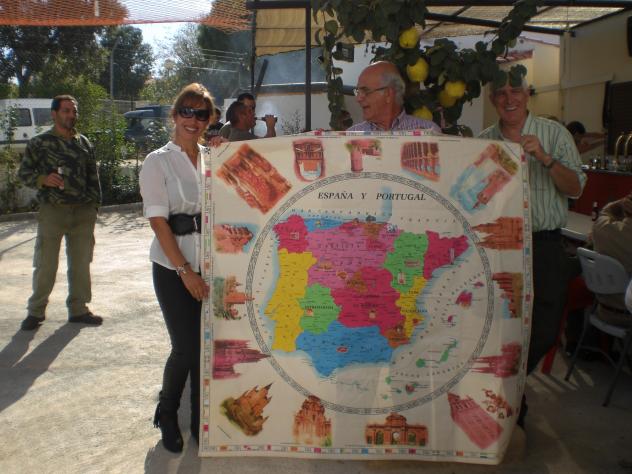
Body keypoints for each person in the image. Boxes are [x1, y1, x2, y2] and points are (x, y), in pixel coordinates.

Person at [479, 79, 586, 426]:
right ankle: (511, 405)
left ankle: (509, 388)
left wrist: (545, 158)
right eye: (500, 93)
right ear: (492, 99)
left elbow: (576, 189)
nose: (508, 98)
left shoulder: (554, 135)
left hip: (545, 244)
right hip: (500, 246)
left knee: (545, 329)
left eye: (515, 91)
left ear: (527, 94)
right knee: (500, 328)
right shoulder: (484, 142)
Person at [139, 83, 212, 453]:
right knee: (185, 347)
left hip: (211, 262)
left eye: (201, 113)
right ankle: (167, 413)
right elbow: (159, 222)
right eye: (186, 111)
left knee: (205, 345)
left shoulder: (215, 157)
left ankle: (200, 419)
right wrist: (185, 271)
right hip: (173, 266)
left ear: (209, 120)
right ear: (174, 114)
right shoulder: (158, 161)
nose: (193, 119)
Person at [17, 95, 102, 331]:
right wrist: (43, 179)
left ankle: (78, 309)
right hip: (53, 212)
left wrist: (95, 206)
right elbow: (23, 174)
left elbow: (93, 177)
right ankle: (35, 312)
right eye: (66, 111)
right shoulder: (40, 142)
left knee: (81, 264)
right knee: (46, 265)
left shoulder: (83, 143)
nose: (71, 115)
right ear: (54, 114)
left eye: (74, 111)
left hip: (82, 212)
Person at [346, 61, 441, 133]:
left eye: (366, 91)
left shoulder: (429, 132)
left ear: (388, 94)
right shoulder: (351, 135)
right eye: (358, 91)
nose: (358, 99)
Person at [591, 193, 632, 327]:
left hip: (602, 310)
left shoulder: (602, 228)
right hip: (628, 318)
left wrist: (622, 202)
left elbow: (605, 212)